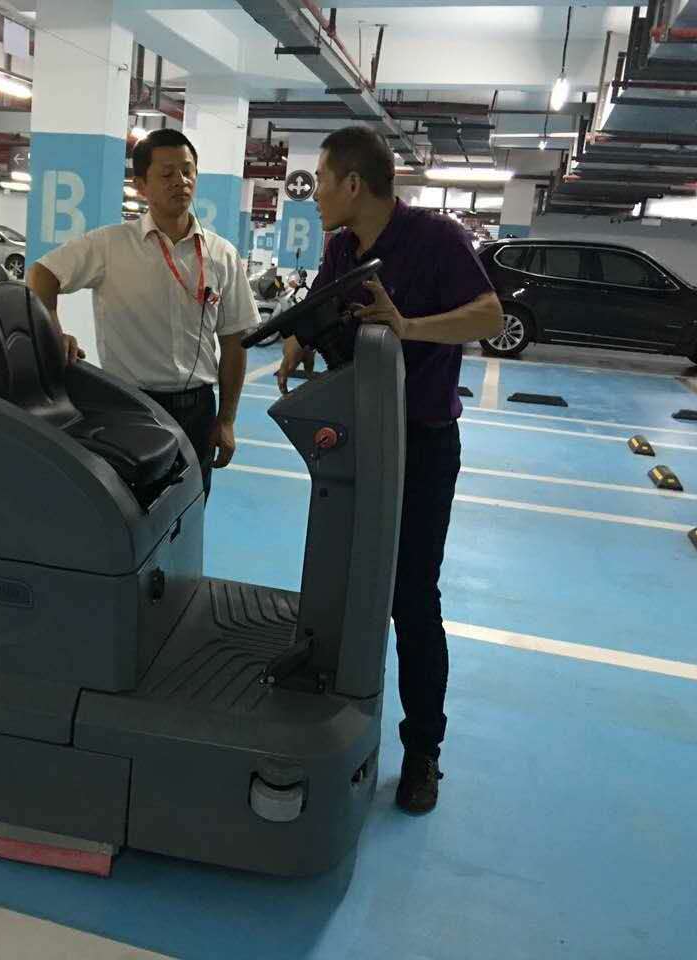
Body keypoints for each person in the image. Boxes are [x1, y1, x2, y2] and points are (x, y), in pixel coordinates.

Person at [277, 126, 503, 814]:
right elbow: (320, 308)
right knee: (346, 583)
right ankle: (337, 708)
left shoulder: (436, 238)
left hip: (422, 445)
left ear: (352, 184)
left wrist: (409, 326)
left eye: (321, 180)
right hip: (358, 438)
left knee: (411, 598)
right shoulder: (342, 248)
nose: (314, 194)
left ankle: (423, 751)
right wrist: (295, 342)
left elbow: (488, 315)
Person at [27, 129, 259, 499]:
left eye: (187, 171)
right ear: (141, 186)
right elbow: (42, 274)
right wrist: (52, 332)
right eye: (166, 174)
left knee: (192, 506)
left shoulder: (221, 254)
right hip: (130, 407)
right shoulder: (110, 245)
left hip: (198, 409)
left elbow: (234, 341)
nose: (180, 181)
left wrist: (227, 419)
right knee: (133, 510)